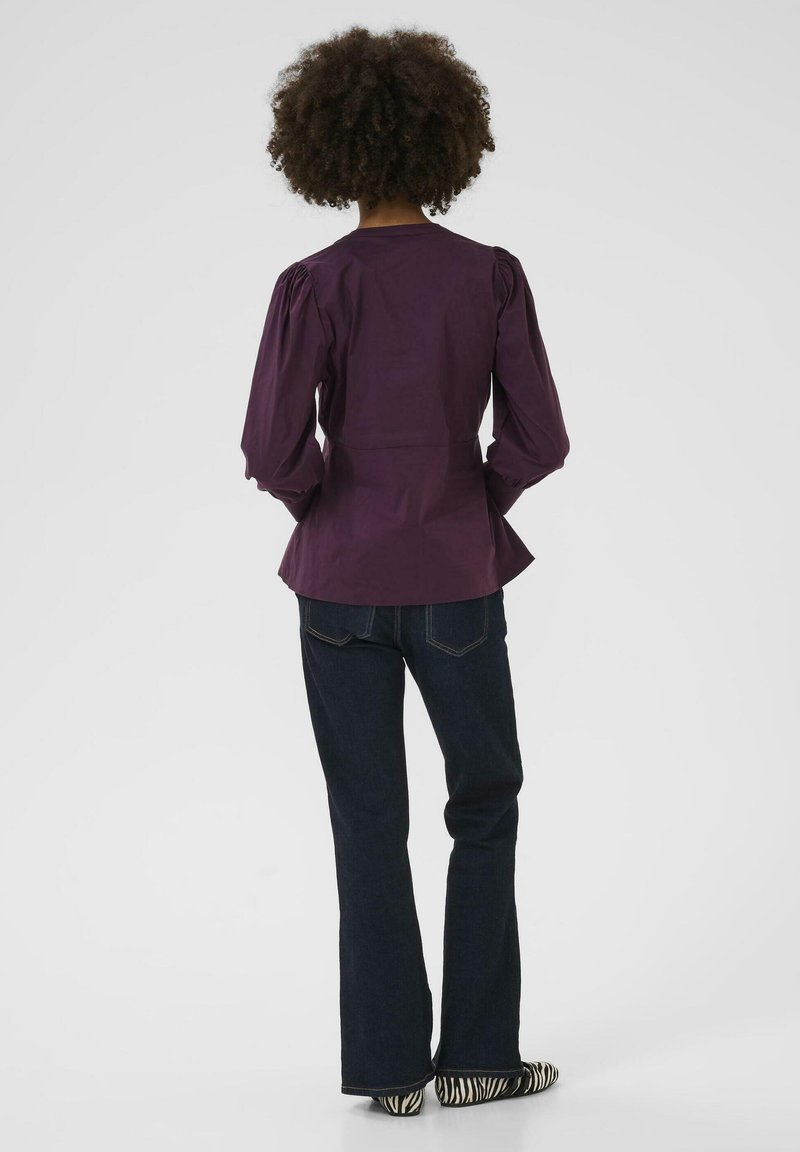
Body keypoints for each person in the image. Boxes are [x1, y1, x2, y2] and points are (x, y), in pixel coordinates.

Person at [240, 25, 569, 1116]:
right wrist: (471, 501)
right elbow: (539, 440)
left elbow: (271, 450)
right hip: (457, 579)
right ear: (445, 142)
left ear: (327, 148)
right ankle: (478, 1057)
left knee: (366, 820)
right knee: (485, 804)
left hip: (336, 585)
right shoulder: (489, 277)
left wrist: (327, 508)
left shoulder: (312, 284)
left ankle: (388, 1074)